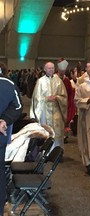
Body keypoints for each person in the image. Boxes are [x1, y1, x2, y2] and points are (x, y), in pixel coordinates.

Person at [0, 63, 23, 216]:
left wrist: (4, 120)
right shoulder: (7, 83)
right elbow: (17, 106)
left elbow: (18, 106)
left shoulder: (7, 83)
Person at [30, 62, 67, 150]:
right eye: (49, 68)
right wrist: (46, 98)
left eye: (52, 68)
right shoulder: (40, 81)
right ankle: (45, 152)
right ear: (45, 69)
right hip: (44, 110)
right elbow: (36, 97)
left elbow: (64, 96)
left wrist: (57, 97)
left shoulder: (59, 81)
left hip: (56, 109)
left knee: (57, 131)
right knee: (46, 131)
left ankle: (57, 151)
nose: (51, 70)